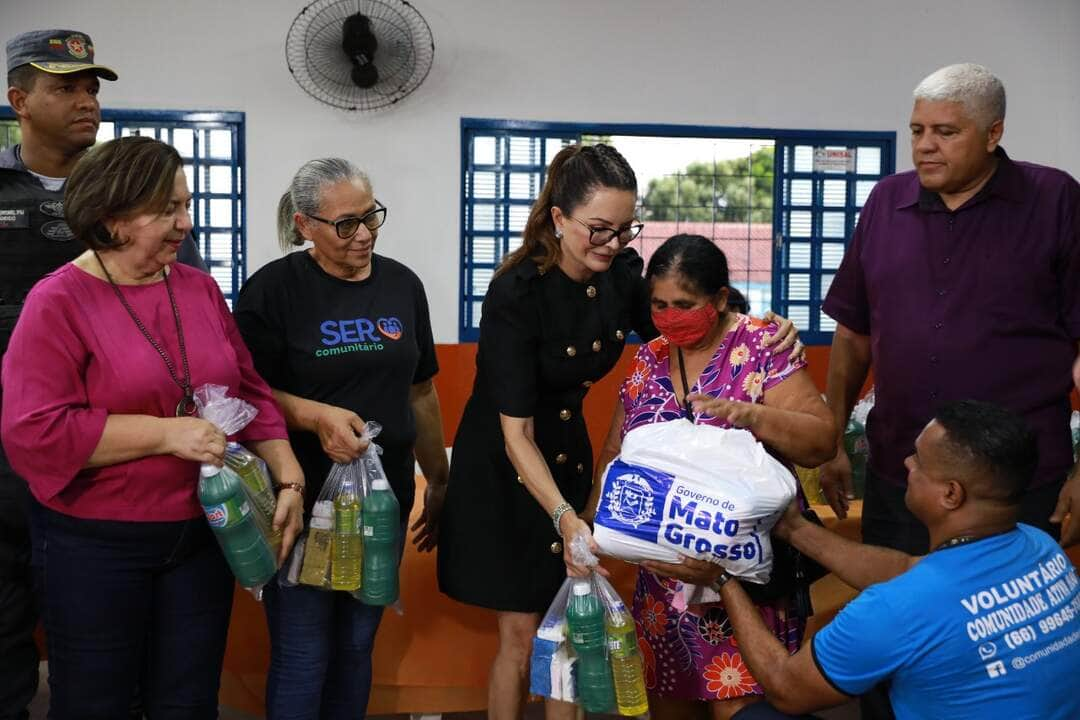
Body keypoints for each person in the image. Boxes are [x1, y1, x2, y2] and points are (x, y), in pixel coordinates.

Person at [437, 144, 802, 719]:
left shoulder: (620, 276)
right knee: (521, 631)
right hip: (506, 472)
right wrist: (565, 517)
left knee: (576, 625)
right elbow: (516, 434)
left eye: (625, 230)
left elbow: (687, 319)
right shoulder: (517, 292)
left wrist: (763, 327)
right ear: (559, 218)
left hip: (569, 457)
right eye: (598, 230)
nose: (612, 244)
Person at [0, 135, 305, 719]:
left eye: (185, 207)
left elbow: (249, 389)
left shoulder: (198, 288)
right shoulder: (57, 301)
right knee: (97, 703)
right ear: (112, 214)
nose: (184, 224)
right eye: (167, 209)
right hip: (96, 546)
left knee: (188, 702)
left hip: (202, 535)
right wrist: (166, 434)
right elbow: (34, 432)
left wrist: (288, 474)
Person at [0, 30, 207, 719]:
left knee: (142, 669)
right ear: (19, 101)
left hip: (119, 462)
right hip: (23, 441)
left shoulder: (141, 189)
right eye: (66, 87)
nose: (86, 101)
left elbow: (180, 321)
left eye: (93, 87)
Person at [819, 62, 1080, 554]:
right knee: (898, 622)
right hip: (903, 478)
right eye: (917, 130)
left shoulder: (1054, 201)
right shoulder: (885, 202)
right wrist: (831, 439)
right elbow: (853, 334)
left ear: (992, 133)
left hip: (1014, 488)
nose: (924, 145)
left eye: (945, 132)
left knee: (1004, 624)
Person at [233, 157, 449, 719]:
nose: (365, 234)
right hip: (302, 499)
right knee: (304, 650)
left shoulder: (402, 284)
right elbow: (245, 396)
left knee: (356, 646)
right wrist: (313, 416)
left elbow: (421, 392)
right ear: (305, 225)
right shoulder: (273, 292)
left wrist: (441, 481)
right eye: (346, 224)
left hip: (384, 499)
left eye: (371, 217)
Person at [586, 234, 834, 719]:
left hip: (745, 586)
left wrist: (749, 414)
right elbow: (615, 452)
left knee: (744, 708)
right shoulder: (648, 359)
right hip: (663, 587)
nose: (670, 315)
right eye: (659, 304)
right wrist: (590, 530)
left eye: (685, 304)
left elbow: (821, 440)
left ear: (720, 299)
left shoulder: (763, 347)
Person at [709, 400, 1080, 720]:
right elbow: (906, 571)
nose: (907, 463)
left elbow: (786, 687)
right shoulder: (1039, 547)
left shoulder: (895, 609)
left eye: (918, 459)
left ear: (951, 494)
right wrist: (795, 530)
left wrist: (723, 580)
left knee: (755, 715)